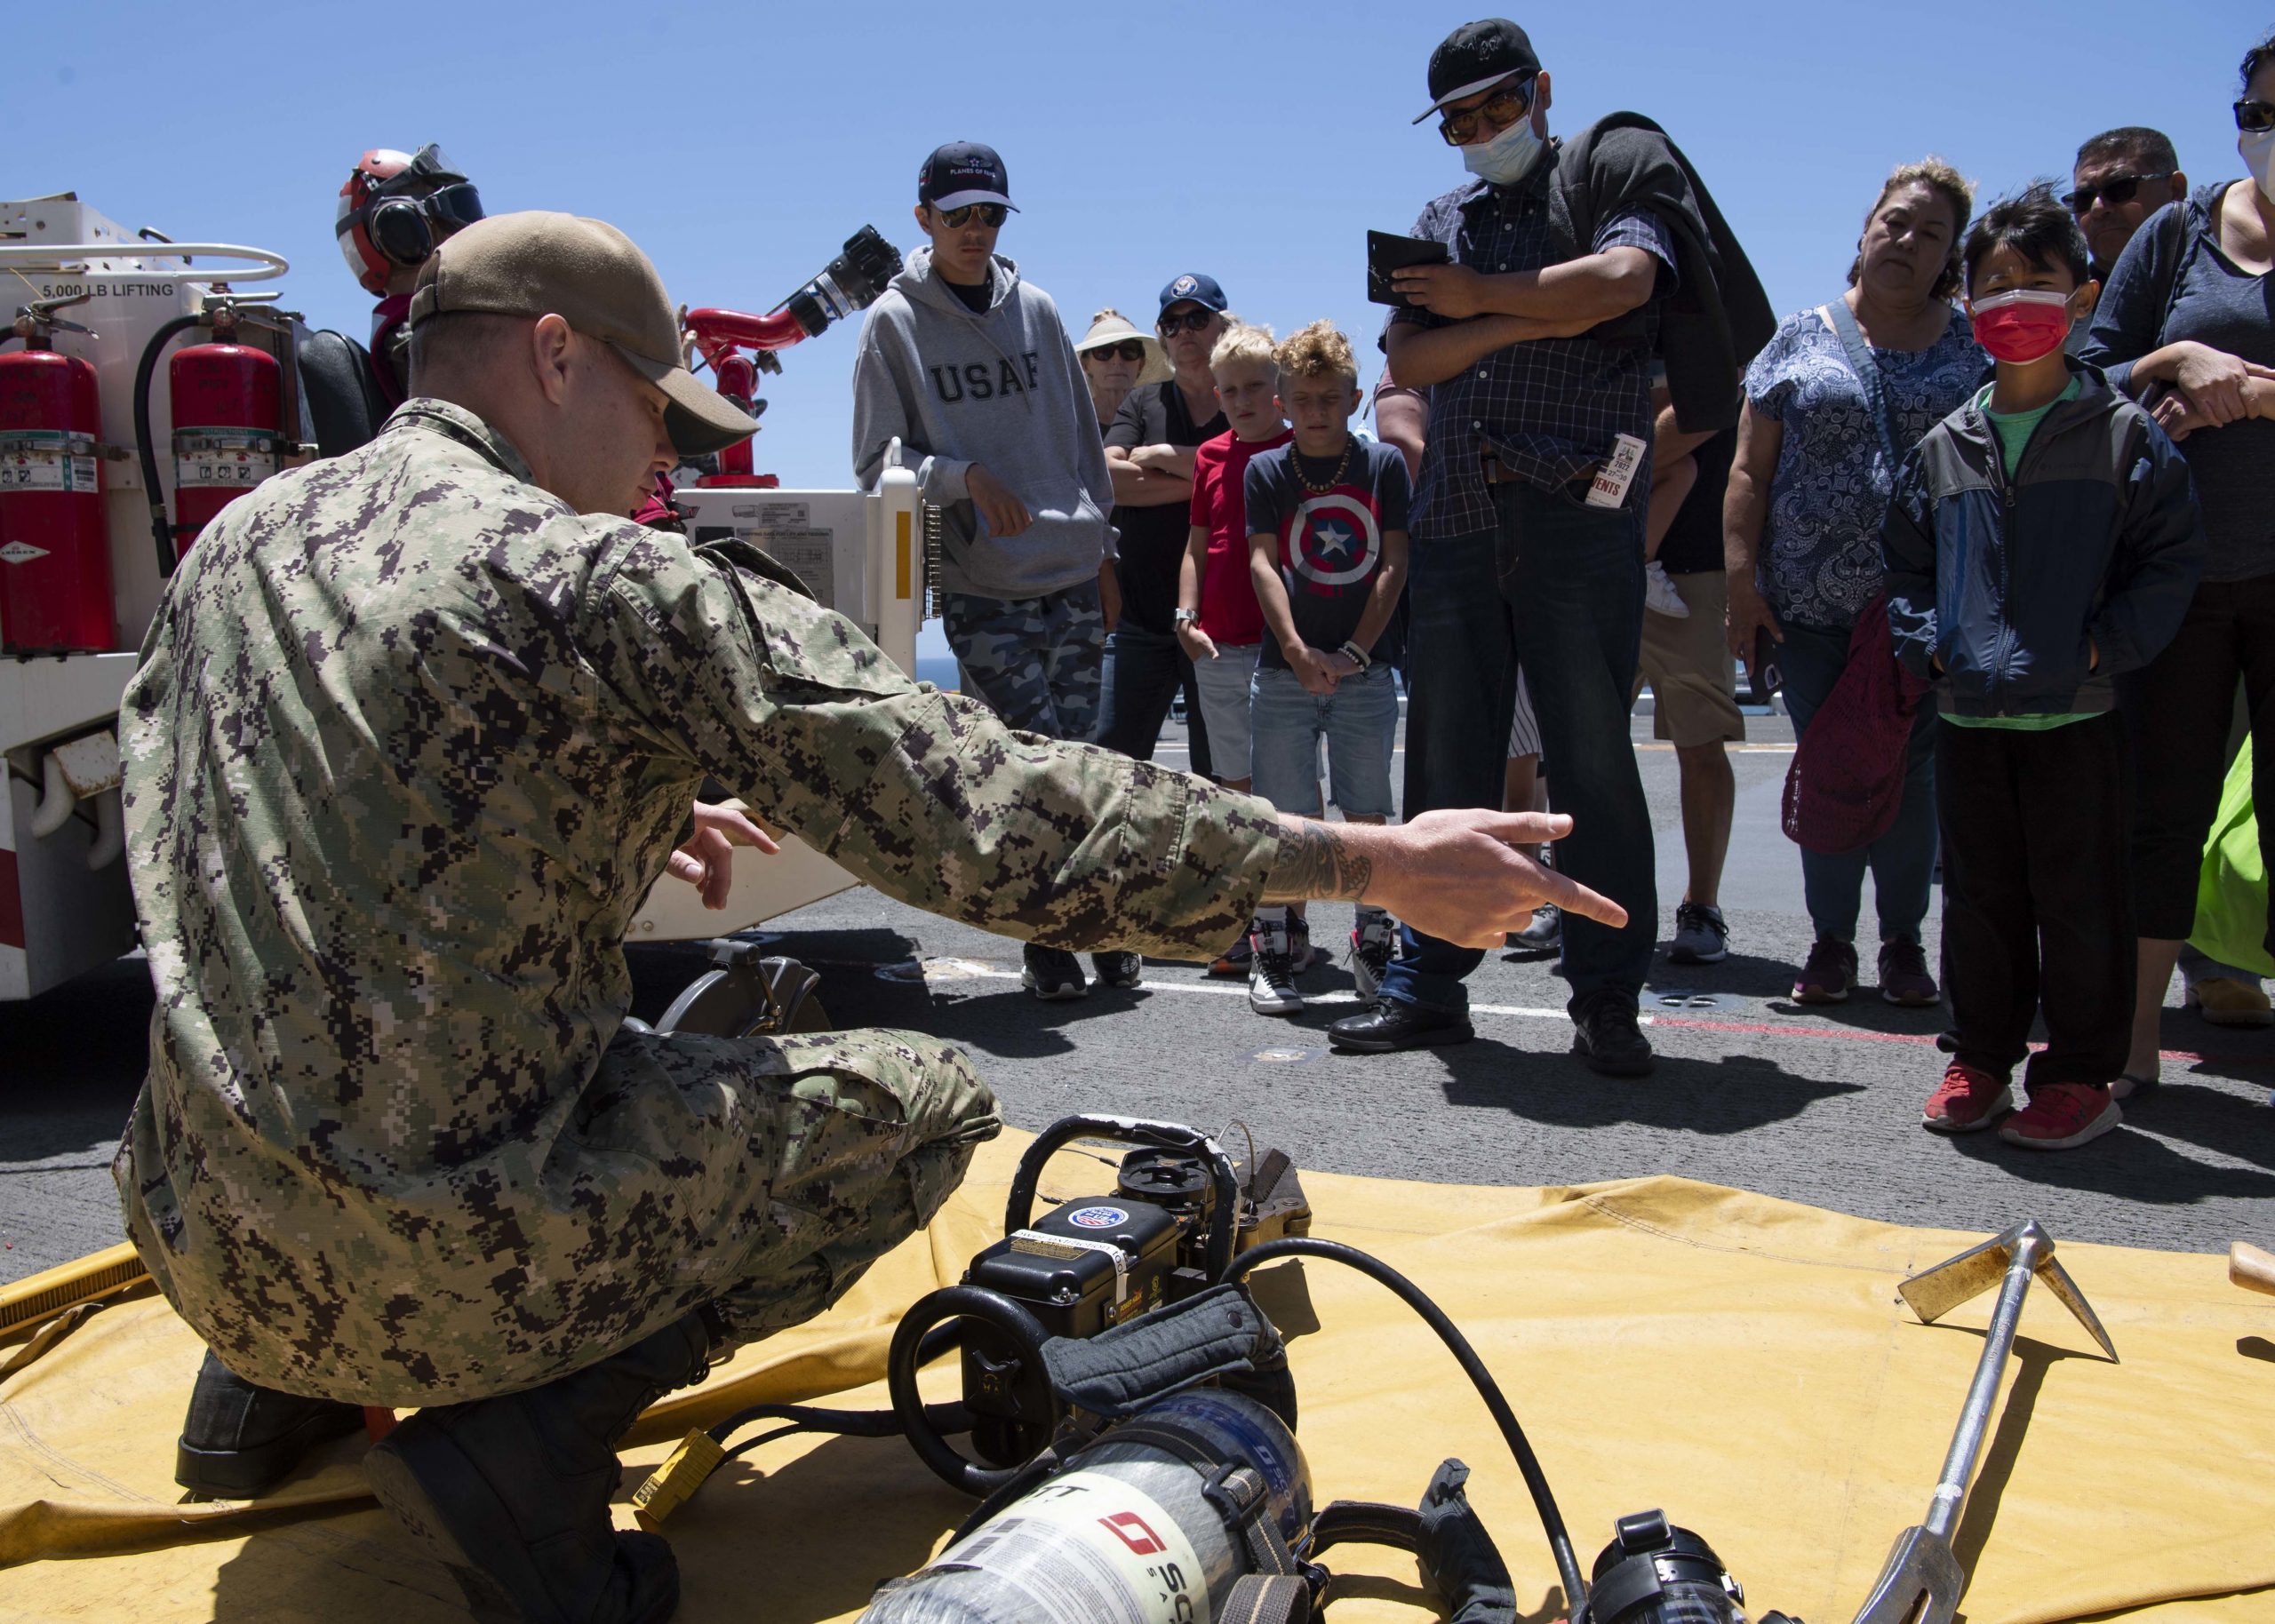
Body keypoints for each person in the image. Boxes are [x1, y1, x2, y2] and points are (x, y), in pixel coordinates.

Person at [118, 210, 1621, 1624]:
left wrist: (635, 803)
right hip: (428, 1261)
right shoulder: (591, 579)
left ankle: (273, 1385)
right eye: (654, 411)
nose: (657, 459)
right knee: (917, 1104)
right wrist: (1367, 860)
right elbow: (988, 811)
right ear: (557, 354)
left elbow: (309, 836)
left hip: (206, 1242)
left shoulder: (237, 549)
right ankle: (517, 1446)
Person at [1329, 18, 1770, 1075]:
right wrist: (1533, 312)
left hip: (1578, 520)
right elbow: (1413, 357)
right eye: (1461, 120)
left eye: (1499, 105)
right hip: (1457, 521)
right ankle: (1428, 989)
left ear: (1542, 89)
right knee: (1444, 766)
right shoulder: (1443, 214)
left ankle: (1606, 999)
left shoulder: (1614, 167)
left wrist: (1480, 298)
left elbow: (1622, 282)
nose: (1483, 130)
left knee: (1591, 766)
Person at [1886, 184, 2201, 1150]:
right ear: (1966, 298)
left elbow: (2170, 559)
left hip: (2080, 716)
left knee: (2080, 905)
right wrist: (1929, 639)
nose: (2012, 300)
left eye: (2037, 281)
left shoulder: (2123, 439)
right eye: (1992, 284)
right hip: (1974, 716)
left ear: (2083, 298)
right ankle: (1978, 1059)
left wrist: (2105, 646)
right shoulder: (1944, 446)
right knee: (1979, 899)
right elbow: (1904, 567)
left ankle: (2074, 1076)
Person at [849, 141, 1120, 1001]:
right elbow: (874, 465)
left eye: (990, 214)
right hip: (984, 588)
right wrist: (960, 478)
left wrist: (1099, 543)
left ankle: (1097, 921)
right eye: (958, 213)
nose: (975, 229)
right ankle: (1047, 935)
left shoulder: (1036, 308)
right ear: (922, 217)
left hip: (1069, 573)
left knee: (1084, 767)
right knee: (1031, 769)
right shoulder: (892, 324)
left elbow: (1083, 447)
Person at [1726, 158, 1984, 1007]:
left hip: (1925, 611)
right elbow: (1749, 474)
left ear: (1951, 256)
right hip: (1809, 608)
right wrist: (1741, 585)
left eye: (1932, 232)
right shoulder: (1799, 336)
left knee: (1912, 776)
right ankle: (1831, 942)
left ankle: (1904, 944)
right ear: (1866, 228)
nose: (1908, 240)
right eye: (1897, 221)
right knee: (1834, 767)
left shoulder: (1971, 347)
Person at [2086, 30, 2275, 1092]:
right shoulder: (2176, 233)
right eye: (2256, 115)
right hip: (2178, 577)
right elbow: (2082, 378)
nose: (2267, 136)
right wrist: (2169, 356)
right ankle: (2134, 1041)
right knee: (2159, 812)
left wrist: (2255, 393)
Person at [1243, 322, 1410, 1014]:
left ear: (1353, 400)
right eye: (1304, 397)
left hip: (1365, 675)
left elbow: (1395, 563)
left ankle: (1374, 943)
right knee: (1284, 817)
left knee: (1367, 813)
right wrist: (1295, 650)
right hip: (1284, 675)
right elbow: (1261, 561)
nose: (1317, 410)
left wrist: (1353, 654)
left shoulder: (1383, 467)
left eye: (1331, 397)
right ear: (1283, 400)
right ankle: (1278, 950)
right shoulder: (1267, 471)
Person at [1177, 322, 1294, 969]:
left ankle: (1290, 923)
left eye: (1255, 387)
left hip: (1282, 648)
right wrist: (1184, 614)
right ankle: (1247, 921)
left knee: (1287, 791)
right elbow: (1196, 545)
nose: (1243, 400)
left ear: (1279, 389)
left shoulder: (1301, 451)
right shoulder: (1209, 457)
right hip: (1219, 644)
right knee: (1235, 790)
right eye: (1230, 391)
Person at [1097, 277, 1233, 790]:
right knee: (1109, 764)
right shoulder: (1142, 402)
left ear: (1223, 325)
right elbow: (1108, 482)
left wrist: (1162, 459)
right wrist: (1212, 480)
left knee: (1219, 775)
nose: (1185, 332)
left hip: (1220, 626)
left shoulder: (1241, 398)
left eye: (1197, 319)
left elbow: (1254, 470)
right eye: (1172, 324)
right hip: (1139, 620)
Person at [299, 145, 486, 457]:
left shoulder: (429, 326)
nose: (464, 228)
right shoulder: (415, 338)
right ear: (400, 228)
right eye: (451, 211)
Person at [1643, 414, 1744, 964]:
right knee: (1582, 752)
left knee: (1702, 747)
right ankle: (1581, 905)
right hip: (1593, 561)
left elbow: (1709, 405)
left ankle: (1702, 907)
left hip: (1699, 566)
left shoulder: (1714, 327)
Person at [2069, 128, 2188, 288]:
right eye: (2083, 199)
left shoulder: (2227, 283)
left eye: (2120, 188)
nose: (2097, 208)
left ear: (2175, 189)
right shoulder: (2062, 309)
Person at [1075, 306, 1167, 430]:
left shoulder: (1162, 420)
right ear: (1085, 365)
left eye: (1128, 351)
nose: (1117, 360)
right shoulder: (1071, 422)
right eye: (1104, 352)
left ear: (1141, 364)